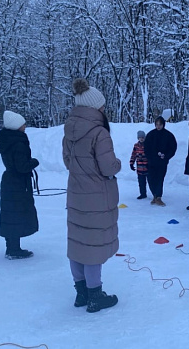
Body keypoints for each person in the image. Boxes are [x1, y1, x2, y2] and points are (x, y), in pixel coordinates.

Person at [63, 78, 120, 313]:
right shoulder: (99, 133)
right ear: (95, 107)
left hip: (76, 195)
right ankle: (95, 295)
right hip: (97, 197)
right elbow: (108, 167)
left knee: (78, 243)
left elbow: (67, 161)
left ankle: (81, 293)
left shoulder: (69, 130)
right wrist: (116, 165)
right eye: (102, 106)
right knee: (93, 245)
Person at [0, 111, 39, 260]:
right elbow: (22, 166)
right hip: (18, 183)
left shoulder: (6, 139)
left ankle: (11, 246)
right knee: (17, 214)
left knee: (10, 214)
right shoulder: (18, 142)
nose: (25, 126)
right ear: (16, 126)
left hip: (9, 181)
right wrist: (34, 162)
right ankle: (14, 249)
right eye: (23, 124)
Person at [144, 116, 178, 206]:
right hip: (151, 162)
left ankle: (158, 197)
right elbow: (146, 148)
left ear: (163, 125)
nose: (158, 126)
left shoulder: (169, 135)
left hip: (162, 162)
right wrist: (149, 157)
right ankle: (155, 195)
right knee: (151, 179)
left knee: (160, 179)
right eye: (157, 124)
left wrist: (166, 156)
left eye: (160, 124)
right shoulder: (151, 134)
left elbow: (173, 148)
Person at [130, 130, 148, 199]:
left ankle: (155, 195)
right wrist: (131, 163)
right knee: (141, 182)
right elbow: (133, 155)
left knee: (151, 182)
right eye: (140, 137)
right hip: (139, 168)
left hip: (147, 167)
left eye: (143, 137)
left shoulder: (147, 144)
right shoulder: (136, 146)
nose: (141, 139)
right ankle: (143, 194)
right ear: (138, 138)